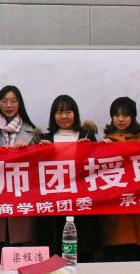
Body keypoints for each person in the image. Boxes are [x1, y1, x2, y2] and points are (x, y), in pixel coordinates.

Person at [37, 95, 102, 261]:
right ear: (53, 115)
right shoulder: (44, 139)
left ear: (75, 114)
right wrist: (37, 151)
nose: (64, 116)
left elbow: (98, 165)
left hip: (81, 203)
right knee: (56, 249)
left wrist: (100, 147)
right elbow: (33, 172)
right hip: (53, 205)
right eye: (59, 112)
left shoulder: (87, 135)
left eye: (68, 112)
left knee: (83, 249)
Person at [99, 97, 140, 261]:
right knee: (119, 253)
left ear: (132, 117)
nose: (121, 119)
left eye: (126, 115)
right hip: (117, 207)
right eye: (116, 115)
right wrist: (101, 150)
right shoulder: (105, 142)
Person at [0, 85, 39, 262]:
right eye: (4, 101)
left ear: (20, 103)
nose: (9, 105)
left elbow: (39, 165)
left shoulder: (33, 131)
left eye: (13, 101)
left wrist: (28, 151)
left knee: (19, 241)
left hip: (21, 191)